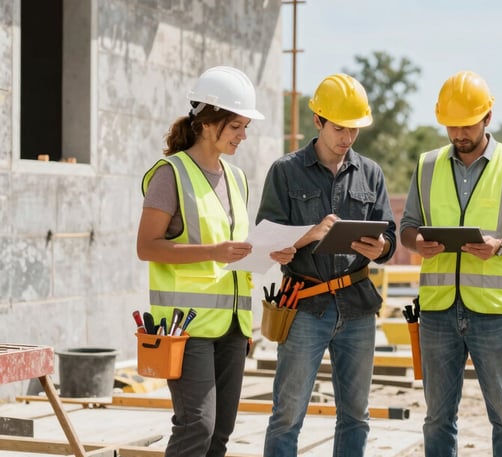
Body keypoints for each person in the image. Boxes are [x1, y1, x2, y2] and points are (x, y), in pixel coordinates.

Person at [400, 70, 502, 457]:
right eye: (451, 126)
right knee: (437, 418)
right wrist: (419, 243)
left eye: (467, 125)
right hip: (437, 311)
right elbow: (408, 227)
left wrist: (499, 246)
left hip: (494, 315)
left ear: (487, 118)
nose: (459, 134)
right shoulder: (427, 165)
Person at [256, 73, 397, 457]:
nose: (347, 138)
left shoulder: (371, 173)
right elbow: (266, 237)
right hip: (305, 305)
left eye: (354, 130)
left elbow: (391, 239)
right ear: (317, 121)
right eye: (339, 128)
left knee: (356, 415)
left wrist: (381, 247)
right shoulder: (285, 171)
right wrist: (305, 237)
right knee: (287, 415)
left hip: (358, 306)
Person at [136, 65, 265, 457]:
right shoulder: (170, 174)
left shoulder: (237, 178)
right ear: (210, 122)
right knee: (197, 426)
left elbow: (234, 247)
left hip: (233, 325)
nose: (244, 136)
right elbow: (147, 247)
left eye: (246, 127)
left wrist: (267, 252)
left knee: (220, 432)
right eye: (237, 127)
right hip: (186, 327)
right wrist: (214, 252)